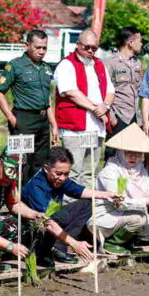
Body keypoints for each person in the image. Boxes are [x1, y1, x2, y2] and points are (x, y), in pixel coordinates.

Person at [22, 147, 118, 263]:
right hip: (35, 228)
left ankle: (59, 246)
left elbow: (79, 190)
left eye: (66, 174)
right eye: (58, 174)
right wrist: (74, 243)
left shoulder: (59, 179)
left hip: (52, 221)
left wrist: (107, 195)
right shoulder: (37, 187)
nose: (62, 178)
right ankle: (50, 248)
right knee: (56, 219)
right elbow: (45, 222)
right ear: (47, 169)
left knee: (88, 203)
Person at [53, 29, 116, 187]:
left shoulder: (99, 64)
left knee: (90, 172)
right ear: (78, 44)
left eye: (94, 48)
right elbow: (71, 92)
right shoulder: (67, 64)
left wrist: (105, 106)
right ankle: (68, 209)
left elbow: (110, 90)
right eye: (86, 47)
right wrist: (97, 109)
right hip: (75, 128)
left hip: (96, 128)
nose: (90, 51)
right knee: (72, 172)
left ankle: (86, 208)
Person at [91, 124, 149, 254]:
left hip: (130, 213)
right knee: (138, 219)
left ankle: (127, 242)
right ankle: (111, 244)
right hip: (108, 215)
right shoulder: (111, 171)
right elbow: (119, 203)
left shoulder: (140, 169)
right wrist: (147, 201)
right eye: (128, 153)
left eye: (137, 154)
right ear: (120, 152)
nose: (133, 157)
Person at [0, 30, 56, 181]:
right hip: (24, 119)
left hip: (42, 121)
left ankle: (33, 199)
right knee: (21, 163)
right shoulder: (15, 66)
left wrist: (53, 124)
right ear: (27, 45)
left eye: (44, 48)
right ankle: (16, 199)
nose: (41, 51)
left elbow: (47, 99)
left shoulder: (47, 68)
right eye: (37, 47)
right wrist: (11, 118)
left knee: (41, 163)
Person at [103, 27, 144, 159]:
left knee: (132, 155)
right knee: (113, 155)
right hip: (119, 116)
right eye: (140, 41)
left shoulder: (137, 63)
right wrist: (111, 116)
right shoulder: (110, 63)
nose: (141, 44)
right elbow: (103, 91)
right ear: (131, 42)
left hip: (135, 117)